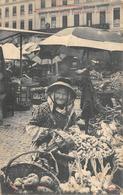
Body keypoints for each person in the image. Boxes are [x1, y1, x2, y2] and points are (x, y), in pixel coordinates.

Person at [26, 77, 76, 181]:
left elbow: (73, 126)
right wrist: (49, 132)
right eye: (58, 93)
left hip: (62, 151)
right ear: (53, 93)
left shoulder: (69, 111)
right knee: (44, 177)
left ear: (69, 96)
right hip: (43, 149)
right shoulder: (43, 108)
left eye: (64, 94)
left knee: (64, 178)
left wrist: (72, 132)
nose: (61, 97)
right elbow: (30, 127)